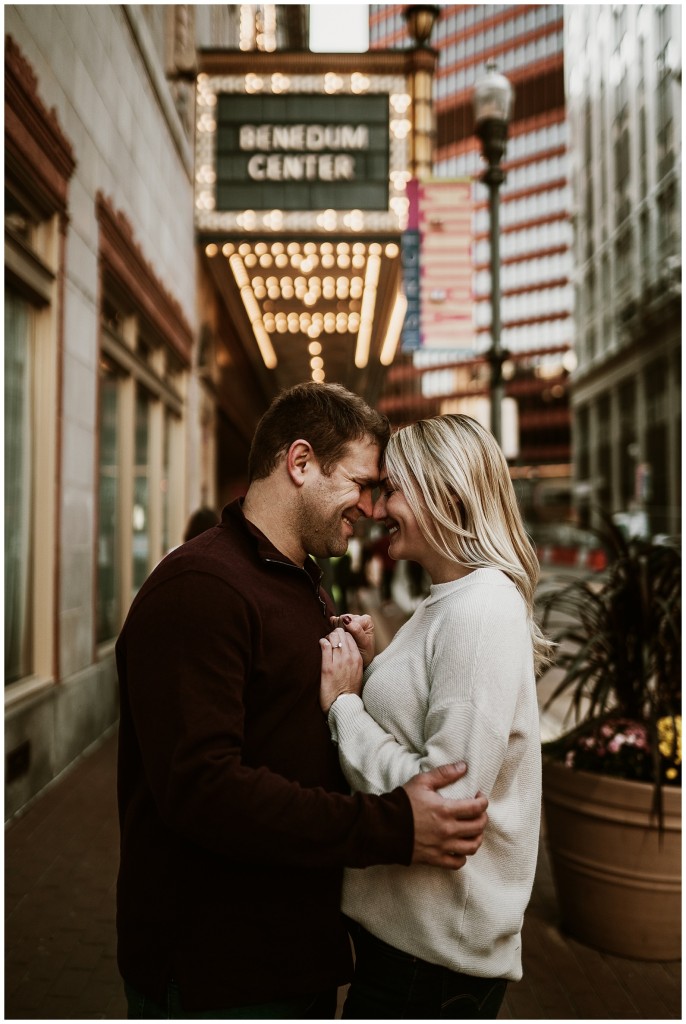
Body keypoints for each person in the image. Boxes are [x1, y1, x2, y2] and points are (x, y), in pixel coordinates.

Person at [116, 384, 489, 1019]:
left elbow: (287, 730)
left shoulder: (294, 582)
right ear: (300, 462)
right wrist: (391, 825)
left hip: (289, 958)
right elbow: (205, 790)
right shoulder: (201, 589)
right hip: (219, 975)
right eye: (363, 483)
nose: (372, 509)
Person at [320, 413, 554, 1020]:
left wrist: (345, 706)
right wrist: (372, 670)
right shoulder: (450, 600)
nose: (377, 509)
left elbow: (447, 804)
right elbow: (428, 731)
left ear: (445, 494)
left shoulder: (483, 611)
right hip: (414, 951)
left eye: (393, 489)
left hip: (431, 966)